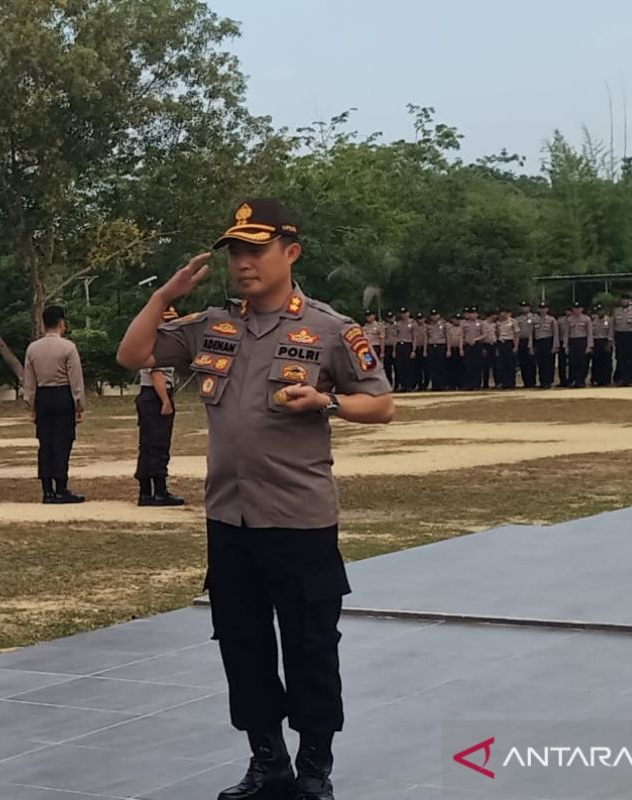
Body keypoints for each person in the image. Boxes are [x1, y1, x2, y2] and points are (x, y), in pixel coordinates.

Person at [117, 198, 394, 800]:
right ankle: (267, 761)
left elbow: (382, 405)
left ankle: (314, 765)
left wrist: (328, 402)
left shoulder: (329, 329)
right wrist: (164, 295)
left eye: (256, 250)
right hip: (230, 519)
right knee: (242, 644)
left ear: (289, 253)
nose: (243, 263)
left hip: (299, 521)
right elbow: (134, 354)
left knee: (310, 645)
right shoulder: (214, 325)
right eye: (235, 252)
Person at [23, 305, 86, 504]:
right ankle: (61, 487)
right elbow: (75, 379)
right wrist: (79, 405)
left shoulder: (33, 348)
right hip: (62, 396)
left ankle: (47, 489)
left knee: (46, 444)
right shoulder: (68, 347)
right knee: (62, 443)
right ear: (61, 323)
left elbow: (29, 381)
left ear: (43, 324)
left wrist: (31, 406)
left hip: (42, 397)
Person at [135, 306, 184, 506]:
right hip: (156, 394)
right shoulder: (158, 342)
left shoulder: (147, 340)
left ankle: (146, 491)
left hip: (147, 395)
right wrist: (165, 401)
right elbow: (157, 374)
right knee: (158, 444)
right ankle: (160, 490)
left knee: (147, 444)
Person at [565, 302, 593, 388]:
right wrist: (566, 346)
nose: (577, 310)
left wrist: (589, 346)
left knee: (583, 362)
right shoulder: (569, 320)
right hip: (573, 341)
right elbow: (566, 334)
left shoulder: (586, 319)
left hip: (582, 341)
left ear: (582, 309)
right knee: (573, 362)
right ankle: (575, 380)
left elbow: (589, 333)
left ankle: (581, 380)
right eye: (575, 308)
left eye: (578, 308)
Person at [529, 303, 558, 389]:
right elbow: (531, 334)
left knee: (549, 363)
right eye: (541, 308)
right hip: (538, 342)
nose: (542, 310)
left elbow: (555, 333)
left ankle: (548, 381)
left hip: (548, 341)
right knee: (540, 363)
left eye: (544, 308)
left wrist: (555, 346)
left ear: (547, 309)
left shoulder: (551, 319)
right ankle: (542, 381)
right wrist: (530, 346)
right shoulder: (535, 320)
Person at [590, 304, 614, 387]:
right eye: (598, 311)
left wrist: (609, 343)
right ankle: (596, 379)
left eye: (602, 311)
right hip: (596, 341)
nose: (600, 312)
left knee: (607, 362)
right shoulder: (593, 321)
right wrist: (591, 345)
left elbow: (611, 332)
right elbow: (591, 333)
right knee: (596, 362)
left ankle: (606, 380)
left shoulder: (609, 320)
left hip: (605, 341)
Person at [461, 307, 484, 390]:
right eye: (471, 313)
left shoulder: (481, 323)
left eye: (474, 313)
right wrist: (461, 349)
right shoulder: (464, 324)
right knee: (468, 365)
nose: (472, 315)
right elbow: (462, 336)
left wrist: (476, 339)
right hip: (467, 345)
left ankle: (477, 384)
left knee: (477, 365)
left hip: (477, 345)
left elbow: (484, 334)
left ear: (477, 314)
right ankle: (469, 384)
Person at [494, 308, 518, 389]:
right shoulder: (498, 323)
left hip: (509, 342)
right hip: (501, 343)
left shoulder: (513, 322)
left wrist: (516, 346)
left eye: (505, 312)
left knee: (510, 364)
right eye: (502, 313)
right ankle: (503, 382)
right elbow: (497, 334)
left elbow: (516, 335)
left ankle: (511, 383)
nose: (503, 314)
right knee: (501, 364)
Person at [392, 308, 415, 392]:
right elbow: (395, 337)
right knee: (400, 367)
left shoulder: (412, 323)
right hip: (399, 345)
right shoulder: (398, 324)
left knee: (408, 366)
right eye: (402, 313)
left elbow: (414, 337)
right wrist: (394, 350)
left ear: (408, 313)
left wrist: (413, 350)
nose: (403, 315)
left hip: (408, 345)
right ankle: (403, 385)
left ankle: (409, 385)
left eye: (405, 313)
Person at [515, 300, 536, 388]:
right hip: (521, 341)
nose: (524, 308)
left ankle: (532, 382)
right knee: (523, 362)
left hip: (531, 340)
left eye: (526, 307)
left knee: (531, 362)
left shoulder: (534, 317)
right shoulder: (518, 319)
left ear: (529, 308)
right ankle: (526, 382)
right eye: (522, 307)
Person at [425, 309, 447, 391]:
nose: (434, 317)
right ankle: (435, 385)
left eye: (436, 315)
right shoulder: (429, 325)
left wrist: (448, 349)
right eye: (432, 315)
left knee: (441, 366)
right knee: (433, 366)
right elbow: (426, 338)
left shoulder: (444, 324)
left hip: (441, 345)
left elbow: (447, 336)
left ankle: (442, 384)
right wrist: (425, 349)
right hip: (431, 346)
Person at [382, 311, 398, 387]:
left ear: (394, 317)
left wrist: (395, 350)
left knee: (397, 367)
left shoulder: (397, 326)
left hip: (396, 347)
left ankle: (397, 384)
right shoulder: (385, 326)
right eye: (389, 318)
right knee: (387, 367)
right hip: (387, 347)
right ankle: (389, 384)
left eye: (391, 317)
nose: (390, 319)